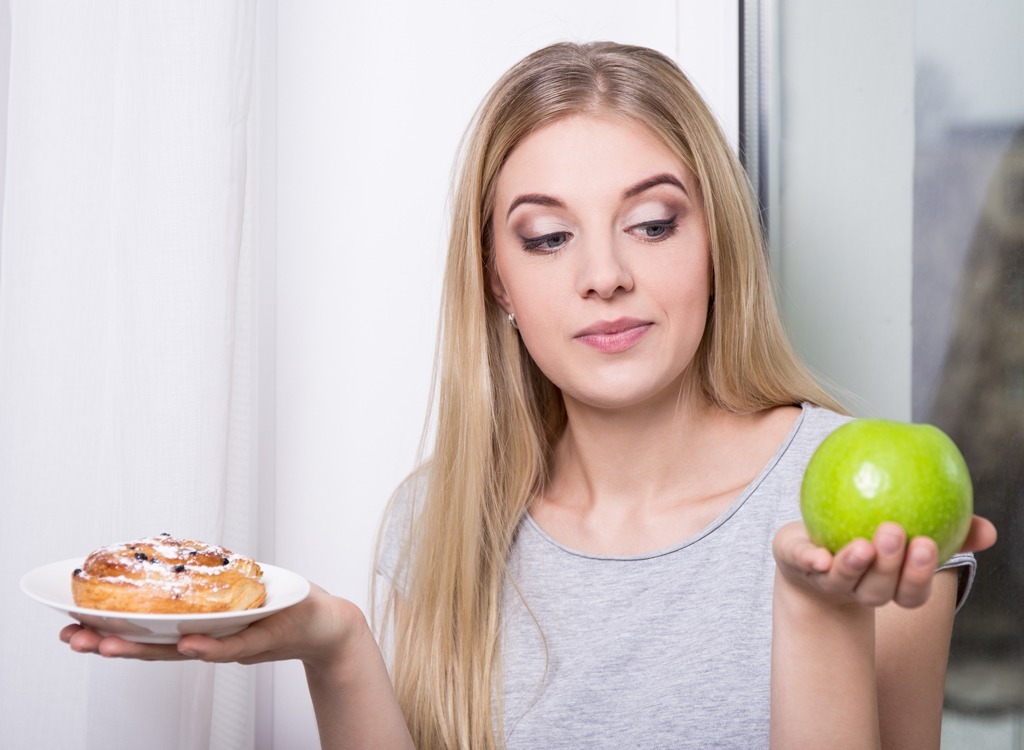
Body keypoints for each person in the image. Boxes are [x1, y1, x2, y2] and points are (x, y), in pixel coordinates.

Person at [61, 41, 997, 749]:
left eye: (653, 223)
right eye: (547, 237)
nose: (604, 275)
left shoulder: (864, 513)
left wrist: (816, 607)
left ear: (718, 245)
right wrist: (337, 646)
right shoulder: (442, 519)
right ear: (498, 281)